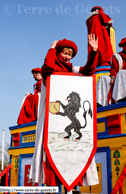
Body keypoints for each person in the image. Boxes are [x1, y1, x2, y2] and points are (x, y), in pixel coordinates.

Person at [29, 35, 99, 190]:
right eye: (65, 53)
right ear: (58, 53)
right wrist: (52, 49)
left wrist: (93, 52)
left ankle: (73, 187)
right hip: (50, 120)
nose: (68, 57)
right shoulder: (50, 72)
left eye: (70, 54)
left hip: (68, 116)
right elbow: (46, 68)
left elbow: (89, 70)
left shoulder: (74, 71)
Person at [96, 37, 126, 106]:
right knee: (103, 78)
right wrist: (113, 77)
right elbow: (114, 68)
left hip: (123, 77)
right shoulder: (117, 56)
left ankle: (122, 98)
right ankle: (100, 104)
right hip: (118, 79)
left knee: (122, 73)